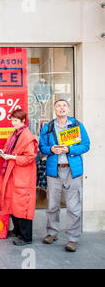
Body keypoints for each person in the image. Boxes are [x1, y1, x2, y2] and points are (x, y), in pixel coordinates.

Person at [39, 99, 90, 252]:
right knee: (52, 205)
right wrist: (50, 149)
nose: (61, 108)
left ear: (68, 109)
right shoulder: (48, 127)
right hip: (54, 170)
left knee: (73, 206)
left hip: (72, 170)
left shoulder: (76, 125)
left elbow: (86, 145)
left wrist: (69, 150)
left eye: (64, 106)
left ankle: (73, 239)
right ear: (54, 110)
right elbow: (42, 146)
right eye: (58, 106)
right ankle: (52, 233)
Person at [0, 109, 38, 246]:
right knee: (13, 203)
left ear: (23, 121)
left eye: (15, 120)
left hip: (23, 175)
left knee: (22, 205)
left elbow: (30, 157)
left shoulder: (27, 136)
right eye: (12, 120)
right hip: (13, 173)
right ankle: (17, 231)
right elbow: (8, 149)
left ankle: (26, 237)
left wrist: (12, 157)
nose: (13, 123)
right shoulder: (14, 134)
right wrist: (3, 153)